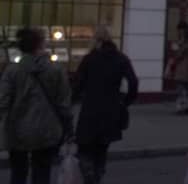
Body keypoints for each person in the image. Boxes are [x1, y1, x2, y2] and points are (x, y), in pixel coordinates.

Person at [0, 27, 72, 184]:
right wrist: (67, 126)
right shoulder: (56, 70)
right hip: (47, 130)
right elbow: (64, 103)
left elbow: (3, 101)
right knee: (42, 173)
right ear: (40, 45)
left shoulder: (12, 71)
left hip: (17, 130)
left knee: (18, 173)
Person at [73, 24, 139, 184]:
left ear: (95, 39)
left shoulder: (90, 59)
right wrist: (125, 102)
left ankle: (89, 177)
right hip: (111, 110)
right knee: (102, 148)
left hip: (90, 109)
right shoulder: (121, 58)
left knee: (85, 148)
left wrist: (73, 99)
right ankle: (97, 176)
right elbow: (133, 82)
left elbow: (77, 83)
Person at [166, 23, 188, 115]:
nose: (180, 33)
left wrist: (176, 49)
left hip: (183, 70)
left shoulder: (186, 45)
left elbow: (178, 55)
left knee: (181, 89)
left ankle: (180, 108)